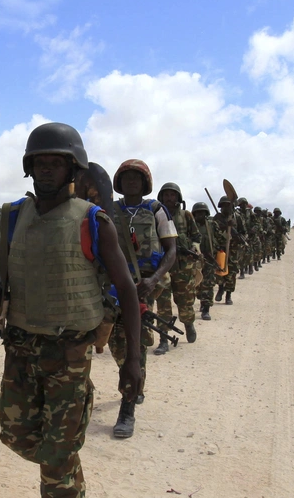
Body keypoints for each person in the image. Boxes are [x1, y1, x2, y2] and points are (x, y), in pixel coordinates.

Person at [0, 123, 142, 498]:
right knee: (16, 436)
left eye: (57, 162)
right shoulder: (12, 216)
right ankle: (67, 467)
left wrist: (133, 360)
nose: (48, 169)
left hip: (68, 353)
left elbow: (127, 290)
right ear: (29, 167)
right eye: (40, 162)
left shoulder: (93, 220)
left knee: (57, 454)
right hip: (20, 349)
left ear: (73, 170)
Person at [106, 159, 177, 438]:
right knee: (115, 344)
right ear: (119, 183)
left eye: (137, 178)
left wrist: (154, 279)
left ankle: (128, 407)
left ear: (145, 183)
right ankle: (135, 383)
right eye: (127, 178)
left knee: (131, 343)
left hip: (145, 284)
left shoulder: (157, 210)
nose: (131, 182)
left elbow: (171, 250)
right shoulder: (110, 210)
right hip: (114, 285)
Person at [154, 182, 201, 350]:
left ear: (178, 198)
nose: (169, 198)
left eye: (172, 195)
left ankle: (188, 323)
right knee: (163, 304)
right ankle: (164, 339)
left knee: (185, 301)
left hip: (183, 267)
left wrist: (194, 248)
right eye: (166, 195)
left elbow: (196, 236)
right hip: (163, 267)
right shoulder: (156, 214)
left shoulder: (186, 215)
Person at [192, 202, 224, 321]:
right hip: (195, 259)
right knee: (195, 285)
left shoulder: (211, 225)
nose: (200, 215)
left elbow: (220, 238)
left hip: (210, 258)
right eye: (198, 213)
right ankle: (200, 300)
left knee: (208, 285)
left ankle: (206, 309)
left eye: (202, 213)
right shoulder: (192, 225)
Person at [213, 196, 243, 305]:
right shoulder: (217, 218)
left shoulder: (237, 217)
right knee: (220, 271)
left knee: (232, 273)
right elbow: (213, 233)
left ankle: (228, 295)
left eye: (228, 205)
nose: (226, 208)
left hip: (233, 250)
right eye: (224, 206)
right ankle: (221, 288)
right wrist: (225, 228)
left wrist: (238, 237)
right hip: (221, 249)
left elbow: (243, 231)